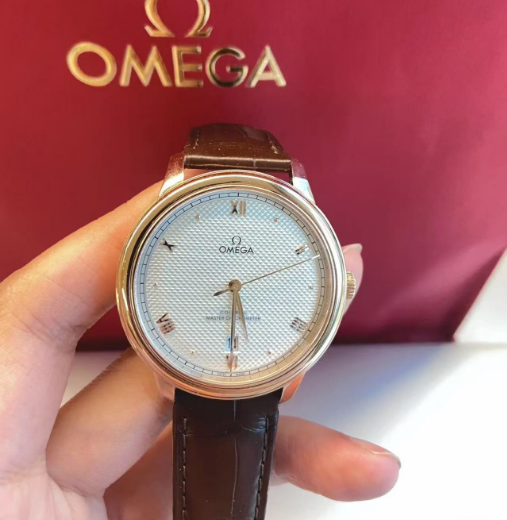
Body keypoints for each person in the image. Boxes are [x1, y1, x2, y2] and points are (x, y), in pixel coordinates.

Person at [0, 183, 400, 517]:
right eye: (232, 284)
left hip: (259, 368)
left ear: (339, 286)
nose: (235, 284)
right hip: (185, 367)